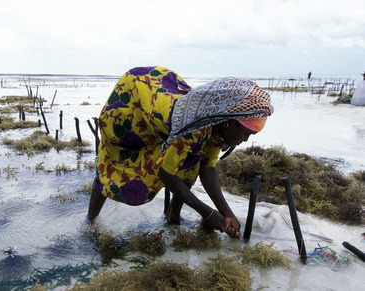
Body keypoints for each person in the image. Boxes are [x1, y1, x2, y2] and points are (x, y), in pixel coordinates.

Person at [87, 66, 274, 239]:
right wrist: (207, 212)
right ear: (231, 122)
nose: (246, 140)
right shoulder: (193, 127)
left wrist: (227, 213)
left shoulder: (216, 124)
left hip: (160, 106)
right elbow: (165, 173)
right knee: (114, 160)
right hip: (134, 97)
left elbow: (207, 169)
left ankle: (172, 217)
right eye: (247, 133)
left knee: (191, 160)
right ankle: (90, 221)